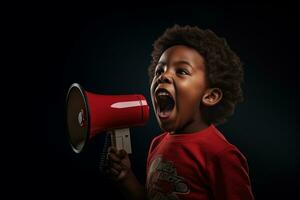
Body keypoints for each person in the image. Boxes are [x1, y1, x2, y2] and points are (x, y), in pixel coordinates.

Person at [106, 25, 254, 200]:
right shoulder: (157, 144)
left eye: (181, 71)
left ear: (210, 95)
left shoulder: (221, 156)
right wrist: (126, 177)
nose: (163, 76)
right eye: (159, 70)